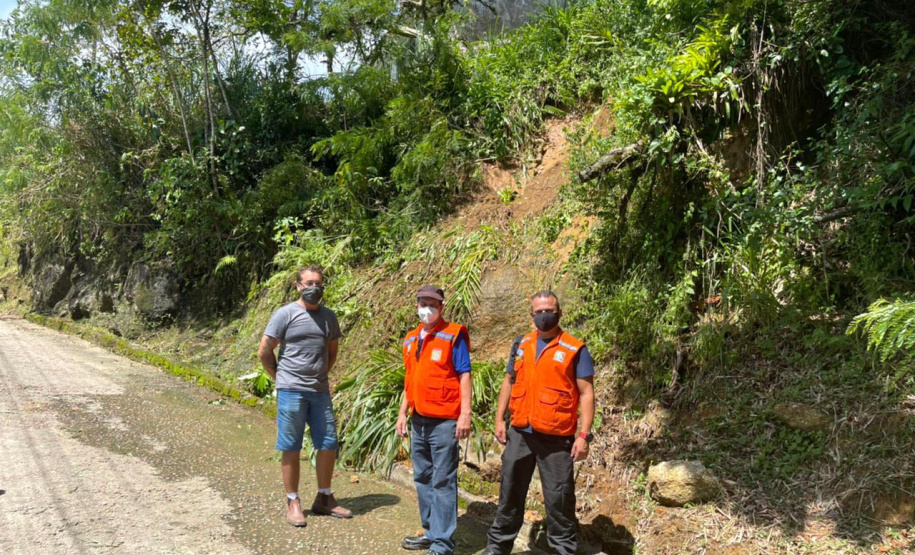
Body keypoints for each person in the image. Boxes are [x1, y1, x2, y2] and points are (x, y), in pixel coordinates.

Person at [482, 291, 596, 555]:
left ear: (559, 313)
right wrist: (499, 419)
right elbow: (509, 382)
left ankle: (563, 550)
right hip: (520, 433)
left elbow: (587, 393)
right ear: (531, 314)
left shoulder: (574, 349)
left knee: (559, 500)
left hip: (556, 439)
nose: (544, 316)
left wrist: (583, 436)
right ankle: (497, 548)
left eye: (550, 311)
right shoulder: (521, 344)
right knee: (509, 493)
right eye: (539, 311)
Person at [258, 265, 352, 528]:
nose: (314, 288)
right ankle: (293, 501)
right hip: (291, 390)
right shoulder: (285, 314)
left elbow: (332, 352)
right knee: (291, 445)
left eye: (318, 283)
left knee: (328, 443)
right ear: (298, 286)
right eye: (309, 283)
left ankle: (324, 498)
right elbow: (264, 350)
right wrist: (280, 377)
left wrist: (320, 375)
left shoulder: (329, 317)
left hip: (319, 391)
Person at [396, 285, 472, 555]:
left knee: (442, 481)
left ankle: (442, 543)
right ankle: (431, 532)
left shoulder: (453, 336)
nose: (426, 308)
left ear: (441, 307)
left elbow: (464, 374)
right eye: (422, 303)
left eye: (432, 303)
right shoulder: (410, 339)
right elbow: (410, 380)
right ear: (416, 305)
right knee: (423, 477)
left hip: (444, 421)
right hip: (418, 420)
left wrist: (465, 413)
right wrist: (402, 412)